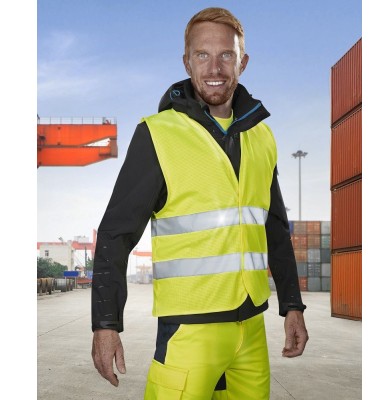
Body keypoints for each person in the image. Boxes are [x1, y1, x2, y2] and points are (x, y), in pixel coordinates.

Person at [91, 7, 308, 400]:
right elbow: (115, 234)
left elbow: (274, 228)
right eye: (202, 55)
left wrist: (292, 305)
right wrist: (106, 325)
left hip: (252, 328)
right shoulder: (157, 134)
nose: (215, 68)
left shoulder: (262, 137)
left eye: (226, 55)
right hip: (189, 332)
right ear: (186, 62)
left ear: (243, 62)